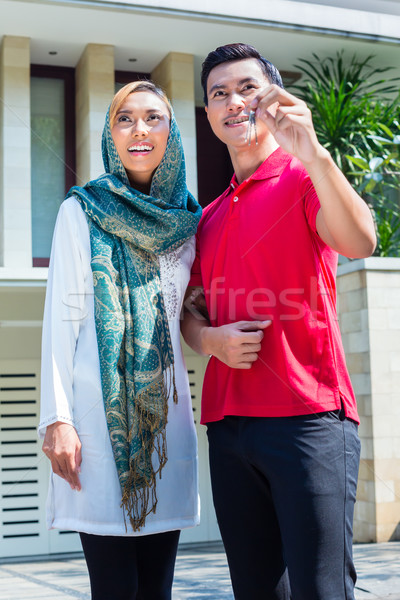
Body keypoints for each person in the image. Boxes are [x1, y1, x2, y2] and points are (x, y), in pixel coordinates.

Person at [181, 43, 376, 599]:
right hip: (229, 426)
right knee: (256, 590)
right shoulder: (209, 216)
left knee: (321, 588)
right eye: (218, 94)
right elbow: (191, 314)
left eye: (247, 88)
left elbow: (361, 240)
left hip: (309, 419)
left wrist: (313, 152)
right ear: (210, 113)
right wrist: (210, 340)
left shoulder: (303, 177)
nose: (233, 101)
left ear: (273, 98)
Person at [39, 80, 202, 600]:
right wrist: (58, 420)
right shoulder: (81, 210)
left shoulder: (188, 224)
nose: (139, 129)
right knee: (114, 587)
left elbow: (188, 317)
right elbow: (61, 322)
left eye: (153, 117)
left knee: (158, 587)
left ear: (170, 132)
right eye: (124, 118)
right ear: (110, 135)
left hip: (166, 428)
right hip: (96, 423)